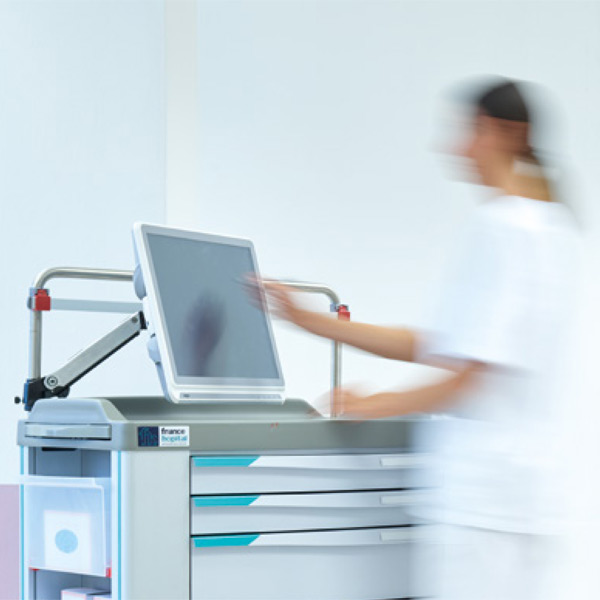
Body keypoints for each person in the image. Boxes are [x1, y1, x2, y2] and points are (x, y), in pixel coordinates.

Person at [260, 78, 580, 600]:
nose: (457, 146)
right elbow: (446, 344)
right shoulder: (555, 228)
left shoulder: (501, 227)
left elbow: (473, 379)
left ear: (506, 134)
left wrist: (373, 404)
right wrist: (314, 322)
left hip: (486, 501)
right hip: (530, 498)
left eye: (470, 130)